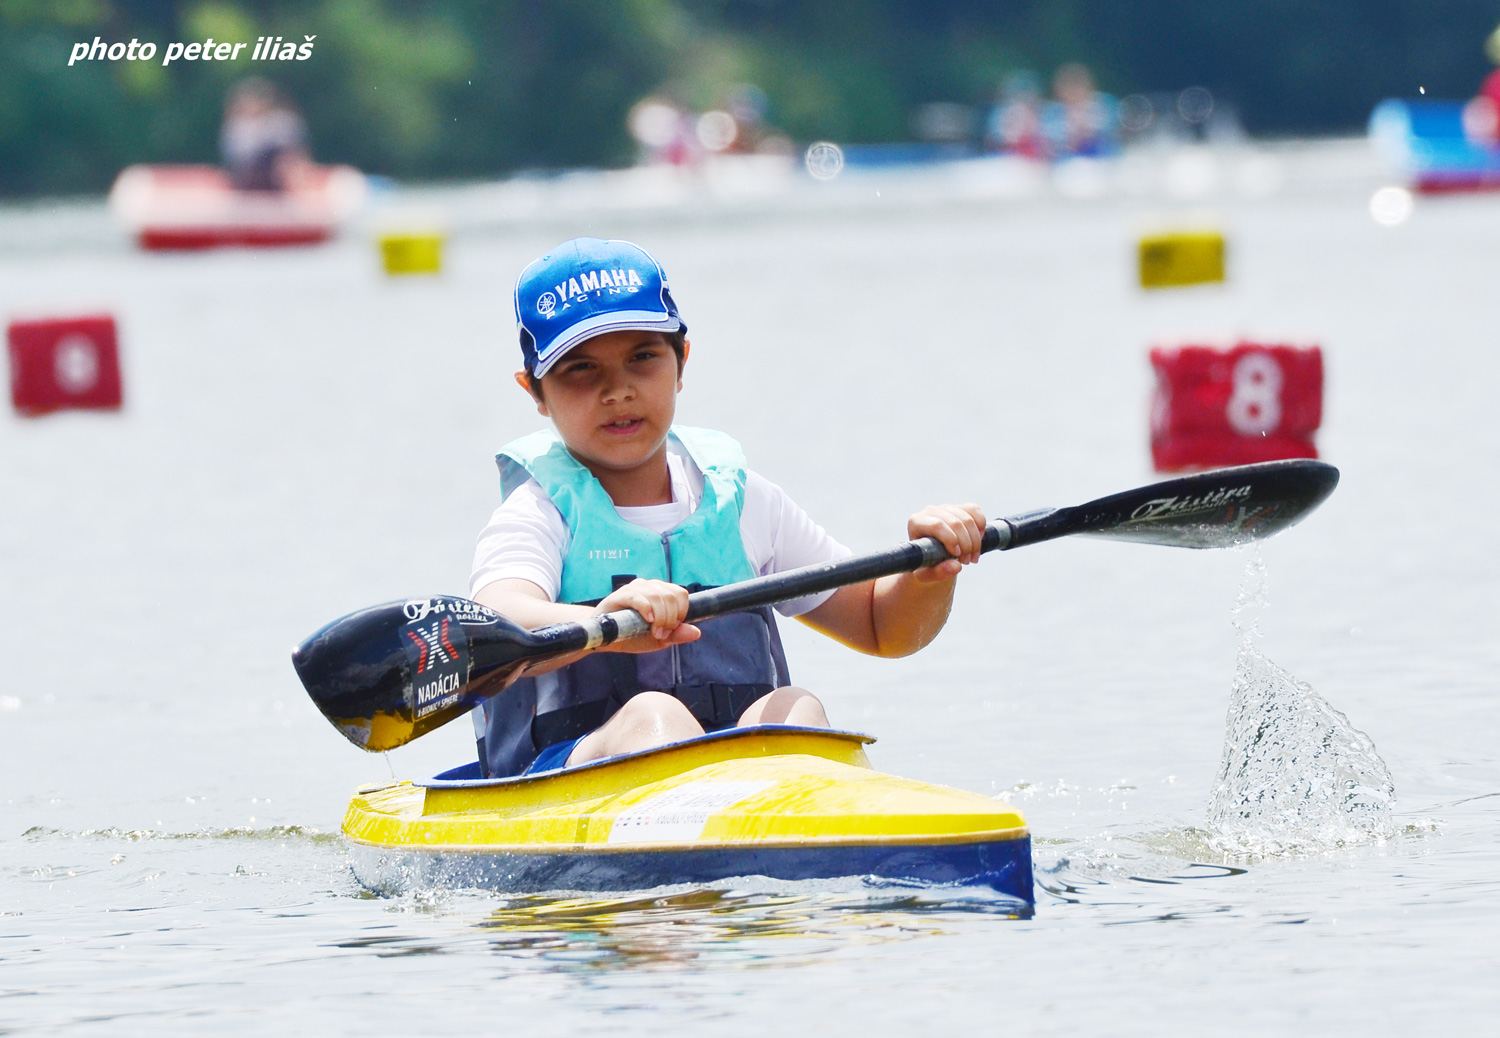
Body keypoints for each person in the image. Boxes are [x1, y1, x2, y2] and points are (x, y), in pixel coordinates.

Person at [468, 237, 987, 778]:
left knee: (797, 711)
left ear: (681, 361)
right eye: (580, 369)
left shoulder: (742, 503)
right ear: (535, 390)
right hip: (561, 777)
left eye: (642, 357)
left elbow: (883, 627)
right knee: (654, 716)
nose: (617, 390)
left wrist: (929, 575)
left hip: (727, 787)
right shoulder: (538, 514)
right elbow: (499, 623)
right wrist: (602, 623)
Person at [220, 78, 310, 191]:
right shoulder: (237, 127)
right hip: (250, 175)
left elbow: (297, 153)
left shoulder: (282, 121)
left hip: (278, 177)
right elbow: (237, 161)